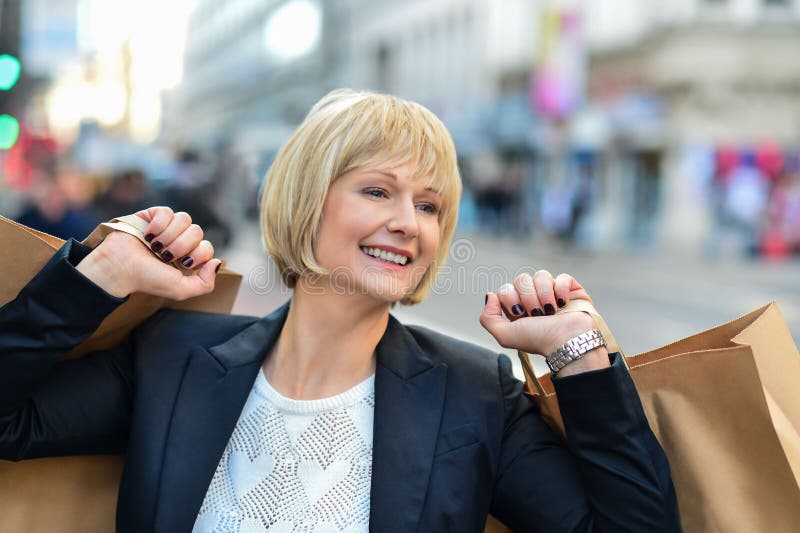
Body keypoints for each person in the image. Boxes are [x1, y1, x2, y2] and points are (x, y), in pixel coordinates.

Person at [0, 89, 680, 532]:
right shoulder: (173, 354)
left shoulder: (475, 396)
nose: (408, 223)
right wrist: (102, 273)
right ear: (307, 199)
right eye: (378, 191)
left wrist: (580, 354)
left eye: (429, 204)